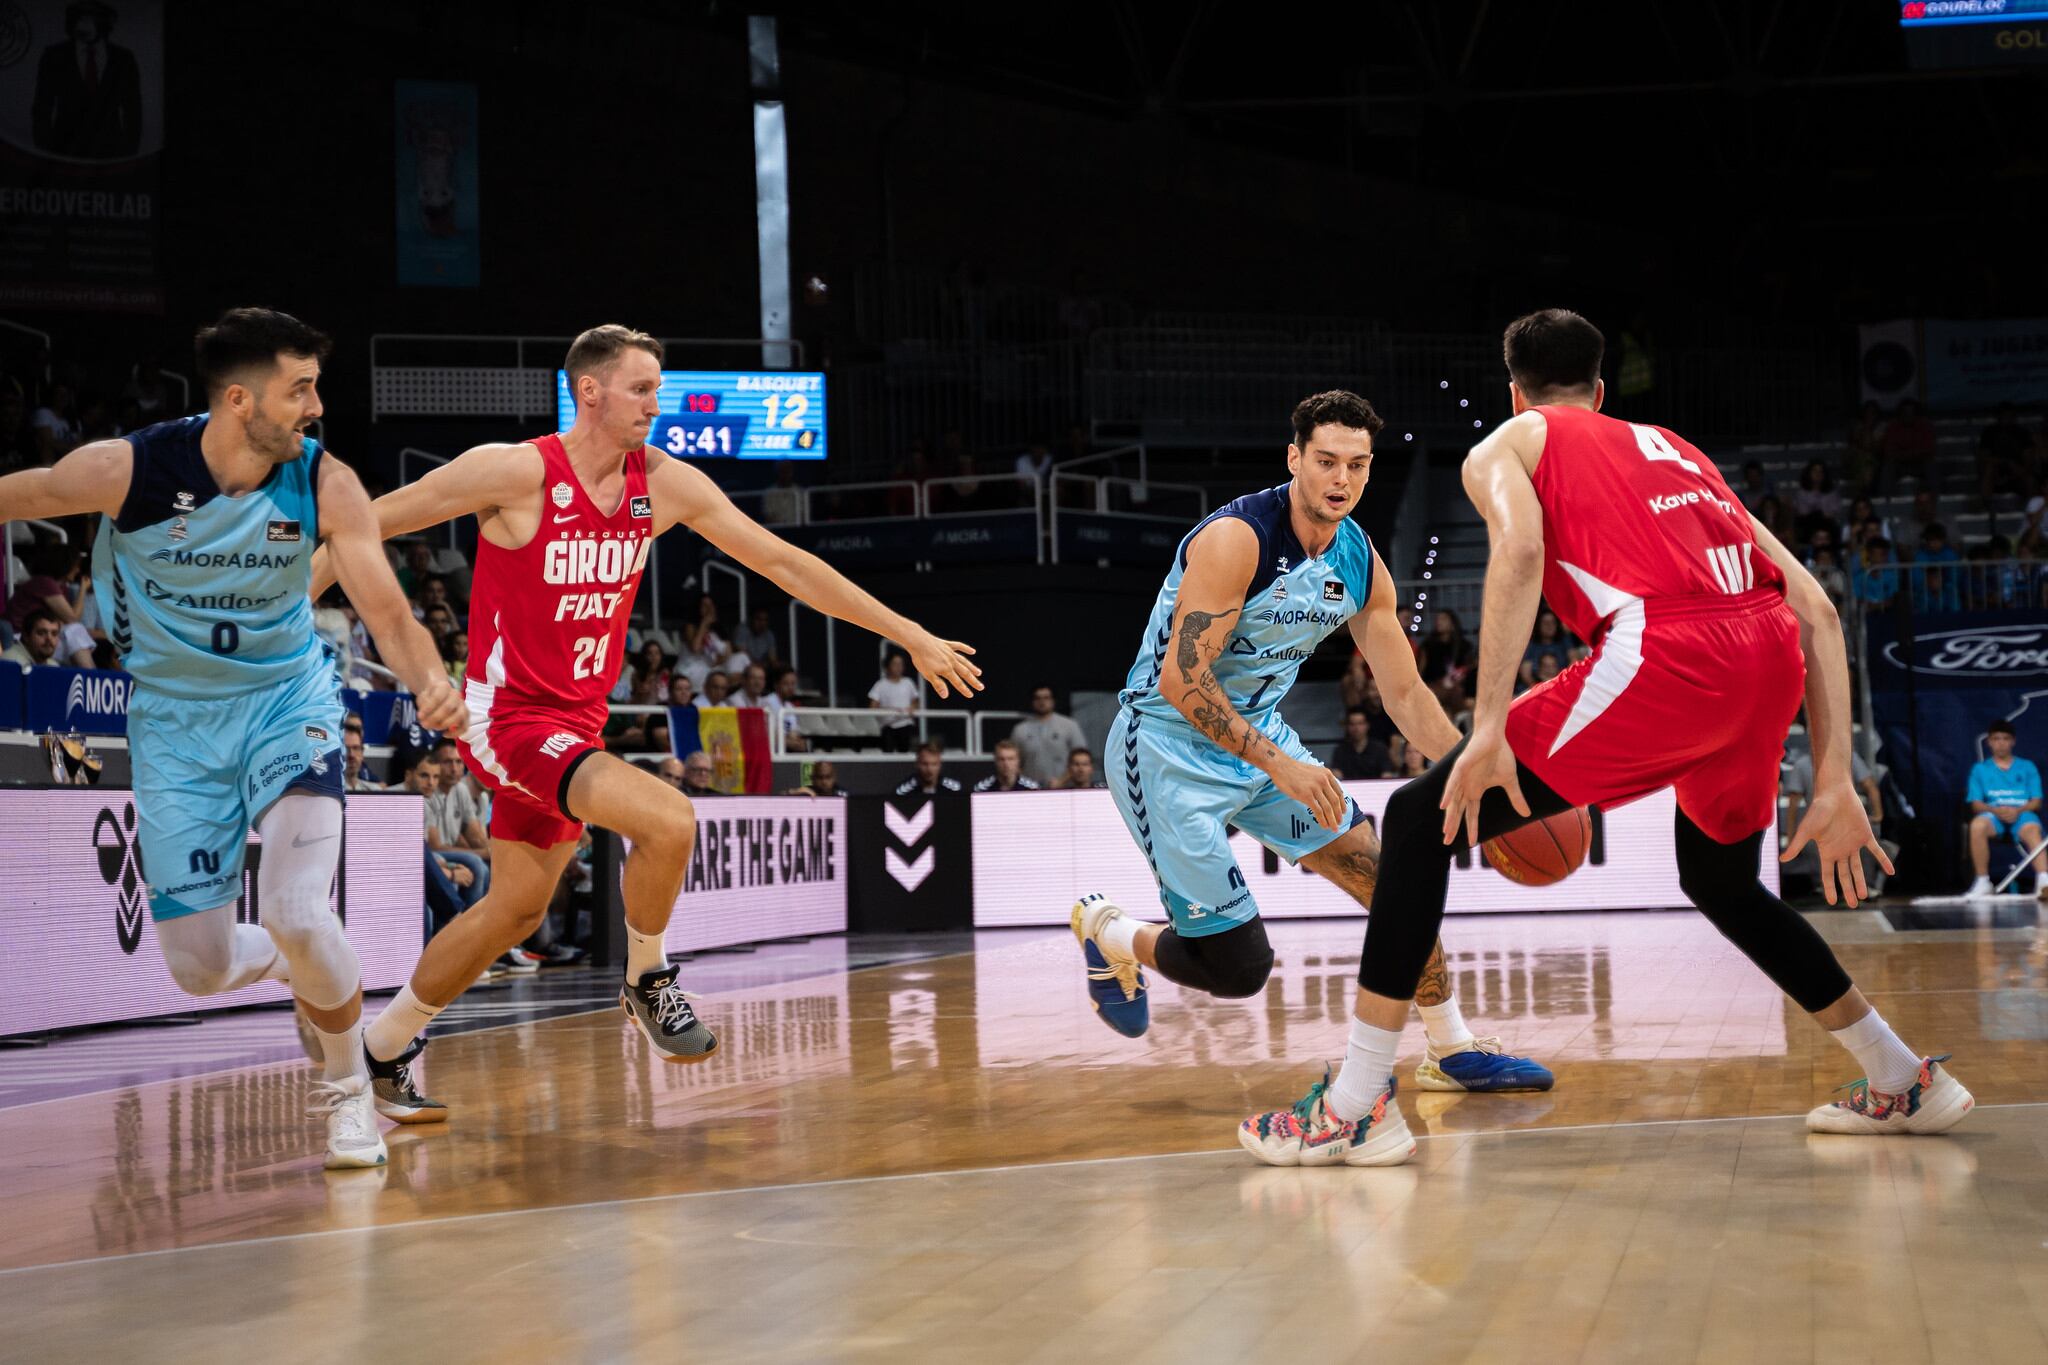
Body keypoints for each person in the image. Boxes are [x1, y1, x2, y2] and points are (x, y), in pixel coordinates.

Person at [1240, 310, 1963, 1170]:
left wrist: (1491, 727)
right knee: (1721, 880)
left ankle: (1357, 1104)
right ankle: (1900, 1073)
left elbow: (1517, 552)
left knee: (1413, 821)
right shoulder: (1674, 447)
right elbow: (1814, 606)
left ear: (1515, 391)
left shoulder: (1506, 444)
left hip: (1667, 649)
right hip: (1766, 653)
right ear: (1602, 389)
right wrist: (1836, 776)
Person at [311, 323, 979, 1093]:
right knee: (670, 818)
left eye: (658, 389)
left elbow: (784, 561)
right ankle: (646, 978)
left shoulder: (661, 482)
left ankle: (382, 1046)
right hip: (507, 721)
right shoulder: (514, 471)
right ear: (589, 391)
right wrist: (284, 612)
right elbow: (365, 524)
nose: (655, 404)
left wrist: (906, 631)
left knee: (515, 911)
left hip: (578, 723)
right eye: (642, 388)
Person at [0, 307, 467, 1169]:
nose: (317, 407)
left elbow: (388, 611)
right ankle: (296, 966)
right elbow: (13, 493)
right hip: (174, 726)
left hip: (287, 703)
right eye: (301, 389)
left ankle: (347, 1093)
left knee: (297, 906)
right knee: (201, 968)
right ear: (240, 399)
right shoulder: (127, 469)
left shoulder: (328, 483)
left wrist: (430, 678)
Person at [1074, 389, 1552, 1094]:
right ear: (1294, 458)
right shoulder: (1237, 539)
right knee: (1236, 969)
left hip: (1261, 739)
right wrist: (1284, 766)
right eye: (1326, 461)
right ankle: (1110, 931)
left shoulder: (1357, 559)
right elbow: (1182, 679)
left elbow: (1406, 694)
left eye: (1357, 465)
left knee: (1393, 879)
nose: (1341, 480)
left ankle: (1450, 1046)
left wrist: (1470, 758)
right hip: (1166, 747)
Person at [1783, 738, 1891, 895]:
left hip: (1848, 822)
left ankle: (1865, 884)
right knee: (1812, 841)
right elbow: (1793, 805)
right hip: (1819, 825)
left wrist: (1878, 815)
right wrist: (1791, 837)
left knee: (1868, 833)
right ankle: (1823, 885)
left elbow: (1870, 786)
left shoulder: (1850, 758)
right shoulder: (1802, 765)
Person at [1965, 719, 2043, 898]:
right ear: (1989, 742)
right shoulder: (1980, 769)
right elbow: (1976, 803)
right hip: (1993, 817)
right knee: (1977, 825)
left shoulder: (2027, 767)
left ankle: (2044, 880)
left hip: (2022, 815)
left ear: (2013, 741)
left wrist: (2017, 811)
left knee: (2032, 829)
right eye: (1996, 739)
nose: (2001, 743)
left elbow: (2036, 801)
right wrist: (1996, 811)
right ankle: (1982, 881)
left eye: (2006, 739)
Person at [1010, 684, 1088, 788]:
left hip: (1065, 788)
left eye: (1046, 698)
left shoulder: (1069, 725)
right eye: (1038, 698)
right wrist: (1024, 783)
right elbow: (1013, 762)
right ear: (1032, 701)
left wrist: (1061, 781)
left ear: (1053, 700)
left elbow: (1082, 758)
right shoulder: (1020, 730)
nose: (1042, 702)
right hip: (1030, 790)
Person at [868, 651, 920, 753]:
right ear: (887, 666)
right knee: (888, 754)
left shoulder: (908, 683)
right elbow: (872, 707)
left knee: (904, 753)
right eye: (895, 664)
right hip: (887, 726)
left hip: (905, 724)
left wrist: (912, 707)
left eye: (900, 664)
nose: (898, 667)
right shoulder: (880, 685)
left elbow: (915, 701)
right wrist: (889, 711)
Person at [1329, 707, 1393, 781]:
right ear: (1347, 727)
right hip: (1348, 790)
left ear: (1367, 725)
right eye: (1352, 724)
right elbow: (1337, 775)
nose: (1356, 728)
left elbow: (1387, 775)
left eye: (1360, 724)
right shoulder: (1340, 751)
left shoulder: (1380, 749)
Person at [894, 740, 963, 796]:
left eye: (934, 764)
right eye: (925, 764)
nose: (929, 769)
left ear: (940, 765)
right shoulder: (903, 791)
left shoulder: (954, 790)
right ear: (917, 764)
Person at [974, 738, 1040, 791]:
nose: (1006, 764)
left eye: (1010, 759)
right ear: (996, 761)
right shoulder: (982, 789)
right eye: (1001, 759)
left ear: (1018, 761)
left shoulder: (1031, 789)